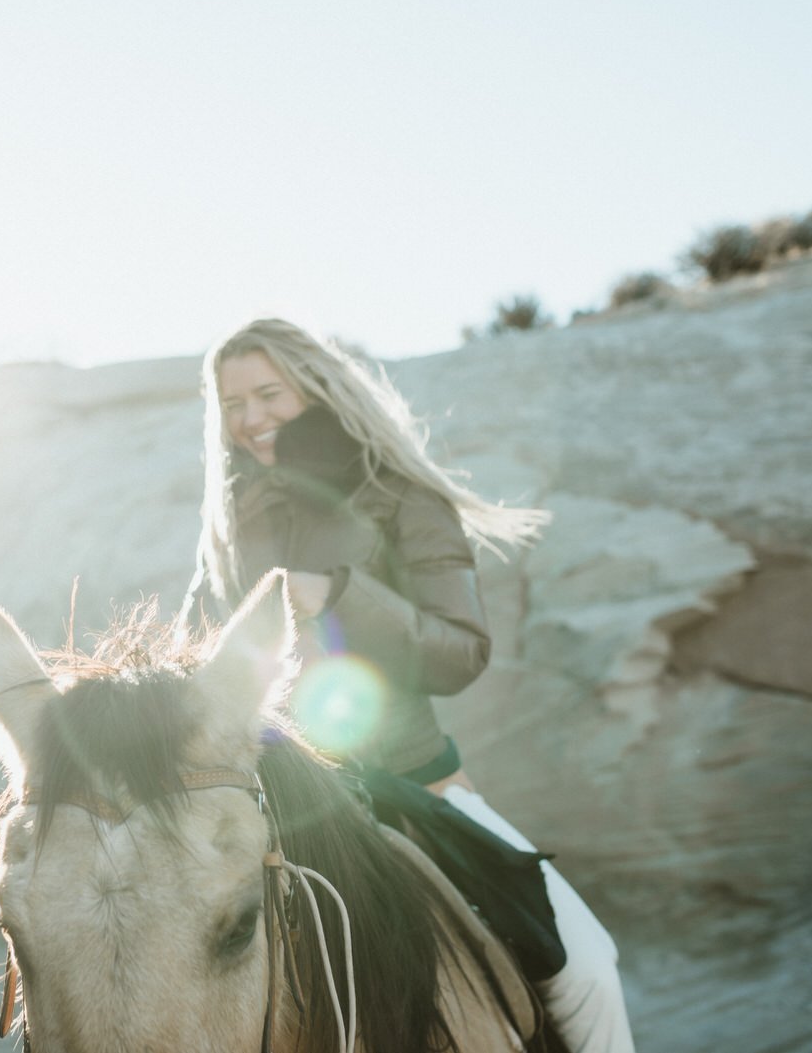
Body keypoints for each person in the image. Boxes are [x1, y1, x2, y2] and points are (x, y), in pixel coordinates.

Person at [180, 318, 634, 1053]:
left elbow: (461, 654)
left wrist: (338, 593)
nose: (252, 419)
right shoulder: (231, 521)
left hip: (423, 787)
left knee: (588, 969)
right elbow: (218, 669)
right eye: (234, 405)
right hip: (284, 809)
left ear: (316, 388)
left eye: (269, 393)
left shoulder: (404, 497)